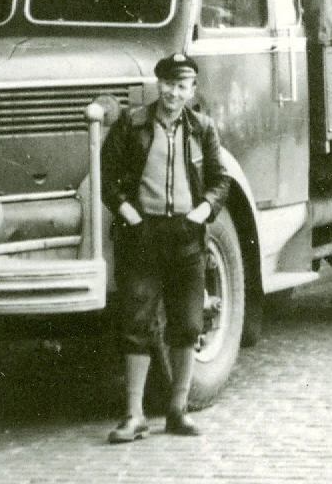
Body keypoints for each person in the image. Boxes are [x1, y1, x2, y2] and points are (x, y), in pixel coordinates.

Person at [101, 52, 231, 443]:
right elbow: (106, 174)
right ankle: (134, 415)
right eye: (169, 84)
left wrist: (203, 211)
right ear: (158, 85)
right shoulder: (132, 123)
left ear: (192, 90)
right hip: (142, 235)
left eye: (182, 85)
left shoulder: (202, 128)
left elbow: (220, 178)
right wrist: (129, 213)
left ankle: (178, 411)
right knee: (137, 324)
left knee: (188, 325)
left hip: (186, 237)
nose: (174, 93)